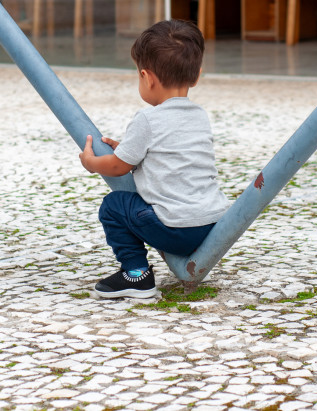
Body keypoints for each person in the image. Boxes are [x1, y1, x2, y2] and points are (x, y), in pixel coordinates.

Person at [78, 20, 231, 299]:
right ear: (196, 76)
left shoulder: (147, 119)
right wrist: (129, 147)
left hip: (175, 228)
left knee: (114, 206)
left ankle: (136, 274)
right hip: (211, 224)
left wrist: (90, 163)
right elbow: (169, 152)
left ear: (147, 77)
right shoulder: (199, 116)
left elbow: (117, 166)